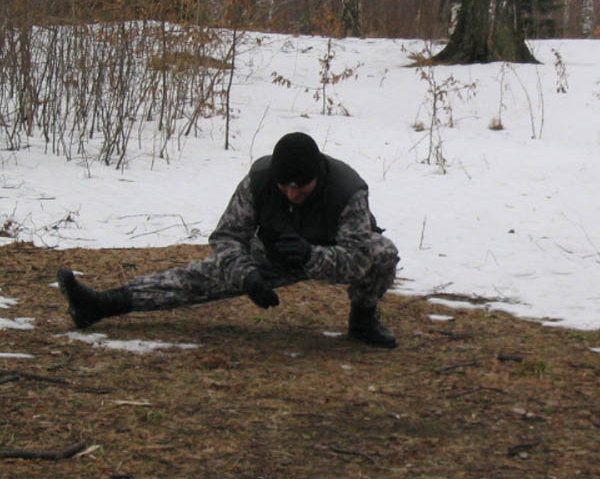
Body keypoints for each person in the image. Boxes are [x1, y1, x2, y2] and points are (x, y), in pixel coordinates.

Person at [57, 132, 400, 348]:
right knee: (196, 278)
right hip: (271, 254)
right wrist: (246, 276)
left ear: (318, 177)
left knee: (384, 252)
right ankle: (99, 305)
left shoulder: (348, 190)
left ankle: (363, 320)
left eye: (301, 188)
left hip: (329, 254)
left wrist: (312, 256)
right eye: (285, 186)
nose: (292, 194)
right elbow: (227, 237)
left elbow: (356, 259)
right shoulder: (260, 180)